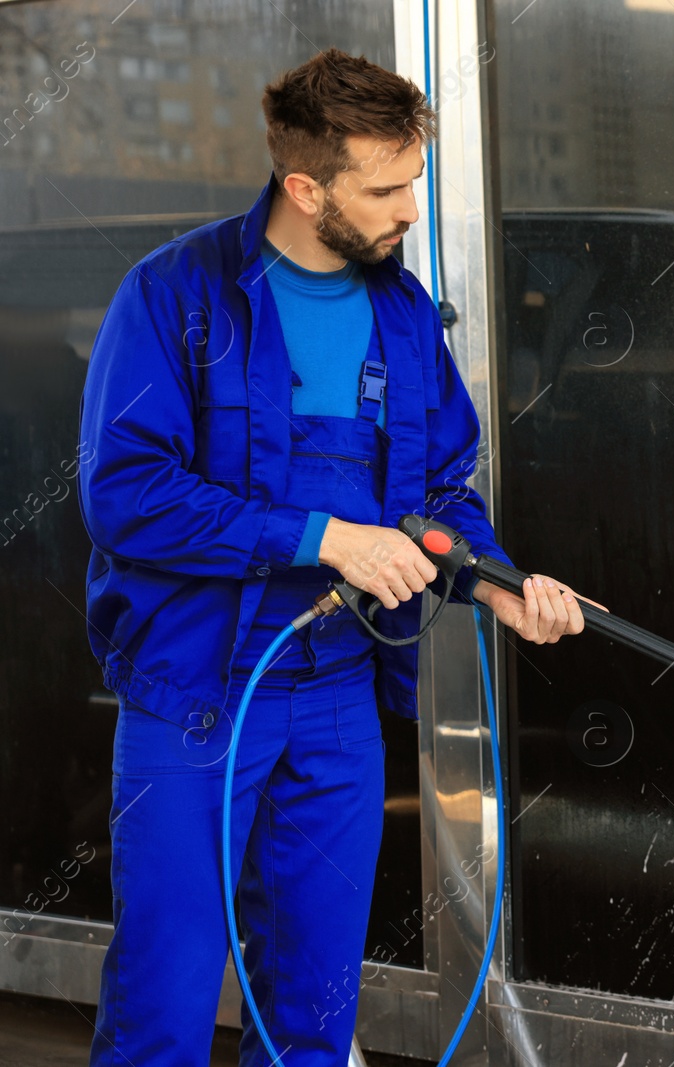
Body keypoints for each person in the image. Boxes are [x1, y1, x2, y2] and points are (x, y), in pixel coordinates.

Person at [76, 48, 594, 1066]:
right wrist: (321, 538)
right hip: (196, 694)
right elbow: (125, 494)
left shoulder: (398, 313)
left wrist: (495, 585)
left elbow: (442, 488)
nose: (411, 209)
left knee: (313, 1008)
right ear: (305, 187)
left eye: (416, 180)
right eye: (387, 188)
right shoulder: (176, 298)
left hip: (338, 697)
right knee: (164, 1003)